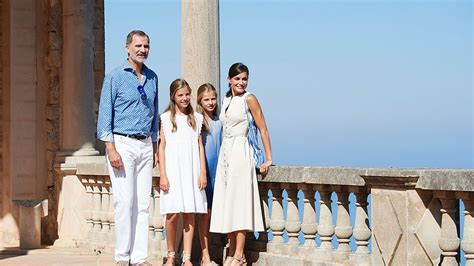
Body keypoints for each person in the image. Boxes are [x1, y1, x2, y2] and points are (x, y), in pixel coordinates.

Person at [96, 30, 158, 266]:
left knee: (143, 204)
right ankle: (122, 257)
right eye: (138, 46)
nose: (143, 50)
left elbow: (154, 116)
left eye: (146, 46)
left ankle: (139, 258)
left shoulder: (153, 77)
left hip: (145, 145)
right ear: (127, 48)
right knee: (124, 202)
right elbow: (105, 118)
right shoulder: (114, 77)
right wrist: (111, 149)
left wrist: (154, 145)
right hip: (122, 144)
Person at [210, 63, 273, 266]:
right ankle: (232, 251)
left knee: (240, 203)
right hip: (226, 153)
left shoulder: (250, 99)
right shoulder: (227, 99)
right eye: (237, 78)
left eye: (244, 78)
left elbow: (262, 128)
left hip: (241, 152)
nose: (241, 82)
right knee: (227, 203)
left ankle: (239, 253)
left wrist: (269, 158)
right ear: (229, 79)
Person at [159, 78, 208, 266]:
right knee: (171, 214)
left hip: (191, 169)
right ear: (173, 96)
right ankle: (171, 254)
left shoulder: (196, 118)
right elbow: (161, 148)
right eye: (181, 95)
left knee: (189, 213)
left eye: (187, 94)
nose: (185, 98)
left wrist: (202, 172)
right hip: (172, 170)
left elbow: (199, 146)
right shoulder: (165, 119)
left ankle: (186, 257)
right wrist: (163, 174)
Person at [195, 83, 222, 265]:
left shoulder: (220, 121)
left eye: (213, 98)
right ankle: (205, 256)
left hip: (219, 171)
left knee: (215, 214)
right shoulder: (197, 122)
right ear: (200, 101)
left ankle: (210, 252)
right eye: (207, 99)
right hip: (204, 172)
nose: (211, 102)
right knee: (205, 214)